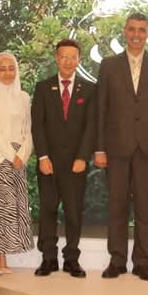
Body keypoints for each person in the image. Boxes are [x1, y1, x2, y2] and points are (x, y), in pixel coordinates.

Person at [95, 12, 148, 281]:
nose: (136, 34)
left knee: (145, 207)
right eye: (132, 29)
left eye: (142, 30)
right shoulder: (108, 65)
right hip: (116, 147)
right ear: (125, 31)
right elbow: (101, 108)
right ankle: (117, 260)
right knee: (116, 207)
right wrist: (99, 148)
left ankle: (142, 262)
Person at [31, 39, 96, 278]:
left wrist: (83, 157)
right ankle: (48, 258)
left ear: (79, 60)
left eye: (73, 57)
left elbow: (91, 127)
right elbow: (37, 125)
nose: (68, 61)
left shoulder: (90, 89)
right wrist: (42, 156)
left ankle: (71, 260)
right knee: (48, 210)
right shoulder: (43, 87)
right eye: (64, 56)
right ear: (57, 59)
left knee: (73, 212)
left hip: (76, 164)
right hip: (48, 162)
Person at [0, 52, 34, 274]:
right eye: (2, 69)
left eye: (11, 68)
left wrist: (23, 154)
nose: (7, 73)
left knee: (10, 210)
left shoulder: (24, 97)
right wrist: (11, 156)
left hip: (18, 160)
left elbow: (28, 130)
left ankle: (3, 258)